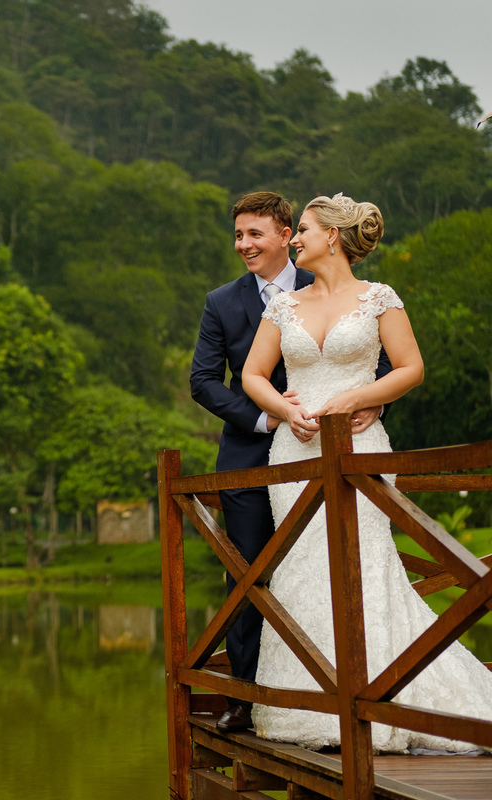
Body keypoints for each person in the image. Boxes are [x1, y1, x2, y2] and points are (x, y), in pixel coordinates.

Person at [240, 193, 492, 752]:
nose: (295, 239)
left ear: (332, 235)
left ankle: (383, 699)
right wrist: (285, 409)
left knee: (362, 564)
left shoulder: (379, 298)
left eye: (301, 229)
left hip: (360, 448)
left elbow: (411, 367)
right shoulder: (284, 305)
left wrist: (363, 394)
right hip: (297, 450)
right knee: (303, 566)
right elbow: (254, 375)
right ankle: (312, 705)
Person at [190, 191, 385, 733]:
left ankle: (354, 692)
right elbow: (203, 381)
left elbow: (383, 357)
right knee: (248, 576)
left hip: (336, 453)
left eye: (255, 234)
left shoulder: (328, 280)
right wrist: (267, 419)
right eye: (238, 236)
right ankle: (247, 700)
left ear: (283, 233)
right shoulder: (221, 302)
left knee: (333, 566)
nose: (244, 245)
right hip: (251, 458)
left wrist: (375, 399)